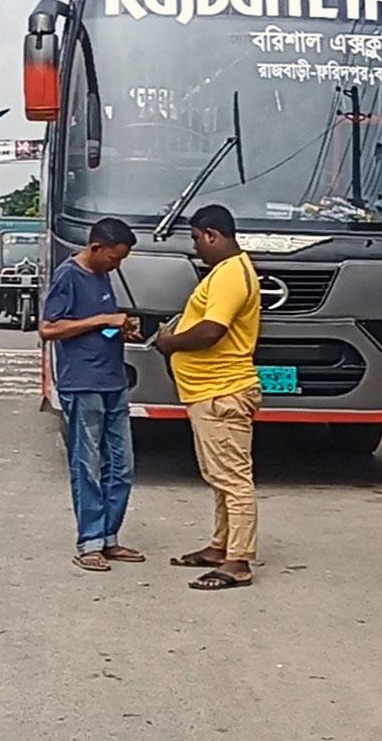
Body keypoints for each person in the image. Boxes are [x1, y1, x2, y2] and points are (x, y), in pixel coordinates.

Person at [154, 204, 262, 591]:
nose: (196, 247)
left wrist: (169, 343)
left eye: (197, 239)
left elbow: (210, 331)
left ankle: (238, 561)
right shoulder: (226, 272)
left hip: (222, 391)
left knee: (233, 479)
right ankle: (221, 545)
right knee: (219, 476)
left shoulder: (231, 275)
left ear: (212, 235)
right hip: (208, 391)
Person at [39, 217, 143, 572]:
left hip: (112, 380)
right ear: (96, 248)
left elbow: (103, 324)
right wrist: (102, 320)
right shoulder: (69, 275)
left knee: (121, 464)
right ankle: (90, 542)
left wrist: (121, 327)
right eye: (114, 258)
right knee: (88, 465)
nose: (117, 265)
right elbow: (50, 327)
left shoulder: (102, 275)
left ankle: (109, 537)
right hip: (82, 382)